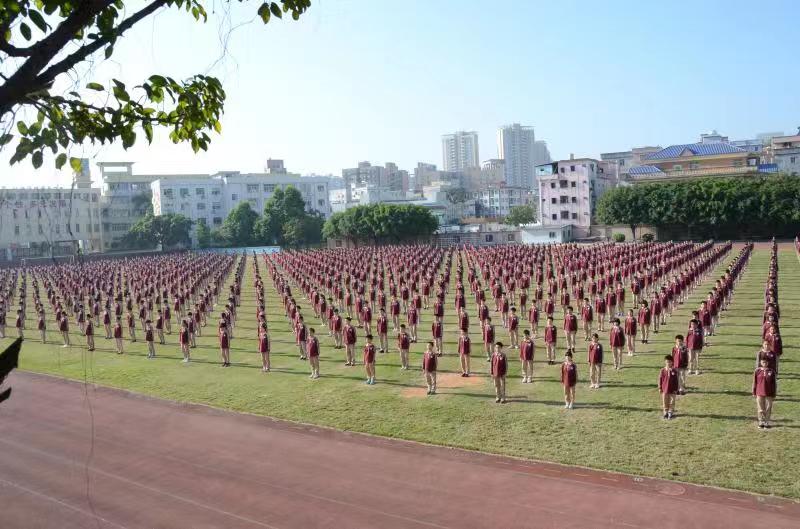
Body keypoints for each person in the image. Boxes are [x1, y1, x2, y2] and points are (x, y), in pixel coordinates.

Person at [752, 357, 777, 429]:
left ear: (768, 363)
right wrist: (754, 391)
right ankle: (761, 421)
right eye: (763, 362)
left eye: (766, 362)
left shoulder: (771, 371)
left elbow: (774, 383)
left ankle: (767, 422)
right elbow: (754, 382)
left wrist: (774, 393)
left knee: (768, 408)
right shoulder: (757, 371)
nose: (764, 364)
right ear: (760, 363)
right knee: (760, 408)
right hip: (759, 392)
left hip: (769, 393)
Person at [658, 355, 679, 419]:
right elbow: (660, 379)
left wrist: (676, 389)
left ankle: (671, 411)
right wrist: (660, 387)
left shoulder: (674, 371)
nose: (668, 363)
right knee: (665, 400)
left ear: (672, 362)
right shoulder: (662, 370)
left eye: (670, 362)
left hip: (672, 389)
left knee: (672, 400)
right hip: (665, 389)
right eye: (667, 362)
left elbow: (676, 380)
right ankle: (665, 411)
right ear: (665, 362)